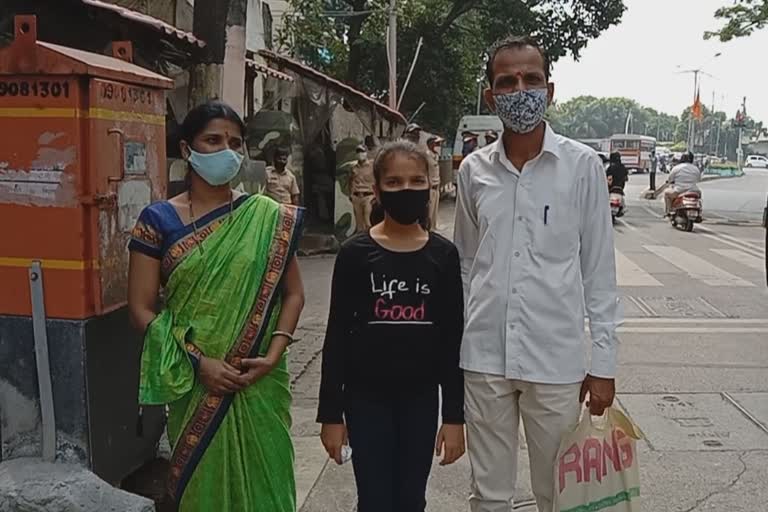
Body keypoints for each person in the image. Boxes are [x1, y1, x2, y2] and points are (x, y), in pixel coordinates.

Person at [454, 35, 621, 512]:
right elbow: (467, 263)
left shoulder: (582, 166)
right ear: (491, 95)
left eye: (531, 79)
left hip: (556, 361)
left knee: (558, 492)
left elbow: (599, 273)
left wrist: (603, 366)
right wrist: (458, 345)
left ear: (550, 90)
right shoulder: (474, 172)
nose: (520, 90)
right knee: (488, 494)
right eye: (507, 81)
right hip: (484, 356)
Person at [127, 101, 306, 511]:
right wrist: (198, 363)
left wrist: (273, 355)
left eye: (235, 142)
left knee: (267, 483)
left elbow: (293, 293)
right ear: (187, 150)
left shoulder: (265, 216)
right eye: (213, 140)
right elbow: (141, 310)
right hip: (195, 384)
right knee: (202, 490)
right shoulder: (158, 221)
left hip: (259, 379)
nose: (227, 150)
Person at [318, 141, 466, 512]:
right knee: (375, 497)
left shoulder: (443, 255)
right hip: (364, 400)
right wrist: (331, 415)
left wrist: (454, 417)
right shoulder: (355, 254)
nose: (407, 190)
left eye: (417, 180)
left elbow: (452, 342)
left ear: (431, 186)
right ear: (379, 189)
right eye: (395, 181)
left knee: (411, 497)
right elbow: (336, 337)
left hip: (419, 400)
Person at [664, 151, 702, 216]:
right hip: (693, 190)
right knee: (699, 196)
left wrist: (670, 182)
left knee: (666, 193)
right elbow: (698, 179)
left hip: (679, 191)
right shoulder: (696, 169)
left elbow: (670, 179)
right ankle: (700, 212)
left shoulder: (677, 168)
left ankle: (669, 211)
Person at [349, 144, 376, 233]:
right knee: (359, 225)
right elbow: (351, 180)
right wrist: (351, 194)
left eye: (362, 152)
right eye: (358, 152)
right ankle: (361, 243)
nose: (360, 154)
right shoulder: (353, 167)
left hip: (369, 196)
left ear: (366, 153)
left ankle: (371, 242)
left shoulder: (373, 166)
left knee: (368, 221)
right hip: (357, 197)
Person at [426, 136, 444, 230]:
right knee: (429, 211)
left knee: (435, 211)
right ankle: (428, 229)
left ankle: (433, 227)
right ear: (430, 144)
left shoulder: (435, 155)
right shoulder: (426, 156)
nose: (438, 146)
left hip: (437, 186)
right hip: (430, 187)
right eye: (436, 144)